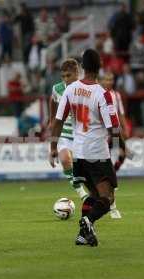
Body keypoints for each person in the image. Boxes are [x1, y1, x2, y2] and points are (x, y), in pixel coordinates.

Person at [50, 49, 126, 246]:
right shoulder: (103, 95)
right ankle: (87, 221)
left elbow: (57, 121)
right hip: (97, 153)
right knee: (107, 198)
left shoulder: (70, 89)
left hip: (79, 152)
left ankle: (83, 235)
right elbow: (113, 128)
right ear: (99, 67)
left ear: (82, 67)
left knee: (92, 195)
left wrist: (53, 146)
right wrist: (123, 147)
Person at [49, 58, 88, 202]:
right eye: (63, 76)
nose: (65, 79)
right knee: (65, 159)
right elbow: (52, 100)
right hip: (64, 132)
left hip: (81, 134)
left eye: (68, 76)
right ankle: (82, 195)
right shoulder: (57, 88)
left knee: (87, 170)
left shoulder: (86, 88)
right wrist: (52, 118)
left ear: (77, 73)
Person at [100, 71, 129, 219]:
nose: (109, 81)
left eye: (111, 79)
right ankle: (111, 206)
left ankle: (111, 205)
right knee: (106, 173)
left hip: (114, 133)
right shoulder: (98, 95)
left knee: (122, 156)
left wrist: (125, 128)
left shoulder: (116, 95)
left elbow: (120, 114)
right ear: (101, 80)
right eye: (107, 78)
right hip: (102, 136)